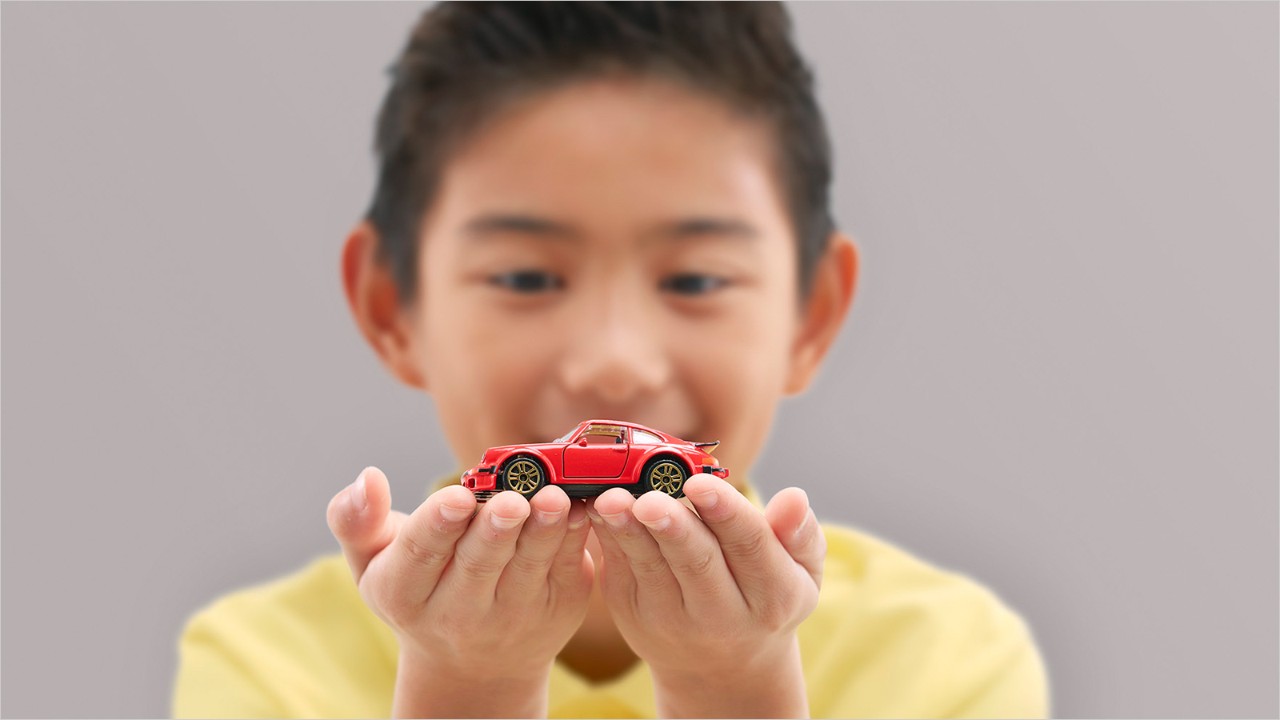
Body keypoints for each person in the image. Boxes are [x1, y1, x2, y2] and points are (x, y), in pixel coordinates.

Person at [172, 3, 1048, 717]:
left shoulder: (942, 660)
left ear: (810, 314)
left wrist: (734, 686)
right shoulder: (263, 669)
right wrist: (465, 684)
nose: (616, 365)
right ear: (390, 305)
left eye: (698, 278)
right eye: (525, 275)